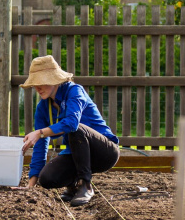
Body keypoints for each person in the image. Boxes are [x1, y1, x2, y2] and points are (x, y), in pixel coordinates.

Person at [20, 55, 119, 206]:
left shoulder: (74, 91)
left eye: (41, 82)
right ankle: (72, 187)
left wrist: (40, 132)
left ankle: (85, 185)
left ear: (54, 79)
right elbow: (40, 146)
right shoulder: (42, 108)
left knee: (76, 128)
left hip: (104, 152)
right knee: (46, 178)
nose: (37, 87)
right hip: (76, 154)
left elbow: (72, 124)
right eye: (34, 83)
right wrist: (31, 185)